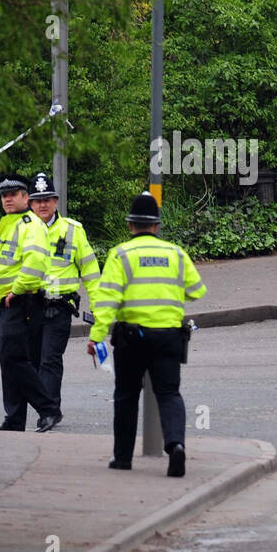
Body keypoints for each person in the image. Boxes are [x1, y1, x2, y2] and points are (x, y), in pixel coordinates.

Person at [86, 192, 206, 477]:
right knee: (169, 393)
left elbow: (107, 302)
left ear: (130, 225)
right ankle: (175, 445)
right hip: (169, 337)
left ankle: (123, 458)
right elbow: (197, 290)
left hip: (131, 338)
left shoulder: (120, 255)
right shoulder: (176, 253)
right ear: (156, 225)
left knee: (126, 395)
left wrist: (96, 336)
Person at [0, 174, 62, 433]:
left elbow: (36, 262)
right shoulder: (9, 222)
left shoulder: (30, 224)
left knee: (15, 359)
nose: (7, 199)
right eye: (3, 195)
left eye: (13, 194)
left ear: (26, 198)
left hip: (21, 300)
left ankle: (48, 408)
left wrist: (16, 290)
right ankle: (15, 418)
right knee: (9, 361)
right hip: (7, 301)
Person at [27, 171, 101, 419]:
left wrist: (99, 308)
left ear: (56, 201)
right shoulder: (21, 230)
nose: (43, 204)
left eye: (47, 199)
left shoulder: (73, 230)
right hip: (30, 306)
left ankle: (49, 412)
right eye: (37, 200)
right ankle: (44, 408)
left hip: (60, 306)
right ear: (30, 203)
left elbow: (90, 270)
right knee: (34, 360)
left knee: (50, 359)